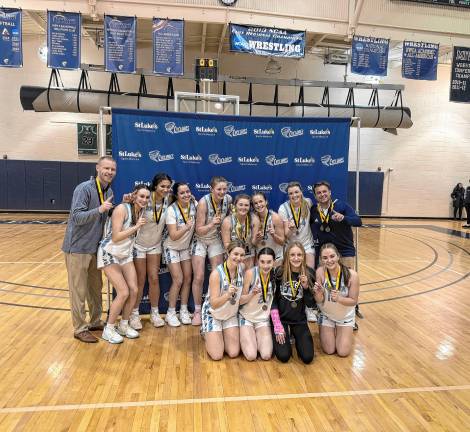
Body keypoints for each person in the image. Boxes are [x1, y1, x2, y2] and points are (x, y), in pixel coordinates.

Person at [62, 156, 116, 343]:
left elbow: (105, 216)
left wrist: (112, 208)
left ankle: (94, 321)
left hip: (95, 248)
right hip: (77, 248)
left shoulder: (109, 190)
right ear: (97, 168)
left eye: (112, 169)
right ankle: (79, 328)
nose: (109, 172)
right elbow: (76, 217)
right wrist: (100, 209)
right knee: (79, 290)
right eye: (106, 168)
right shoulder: (84, 188)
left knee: (95, 288)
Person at [97, 184, 150, 344]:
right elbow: (116, 237)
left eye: (147, 197)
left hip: (125, 254)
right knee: (123, 292)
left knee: (134, 290)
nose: (144, 200)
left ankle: (124, 325)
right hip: (110, 252)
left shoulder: (140, 211)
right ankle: (109, 329)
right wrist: (136, 227)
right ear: (134, 195)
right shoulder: (122, 209)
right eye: (141, 196)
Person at [310, 180, 363, 326]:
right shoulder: (314, 209)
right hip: (325, 253)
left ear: (330, 192)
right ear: (315, 195)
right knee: (324, 283)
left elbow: (358, 221)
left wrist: (344, 218)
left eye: (324, 191)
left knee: (347, 283)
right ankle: (325, 311)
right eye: (319, 193)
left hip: (344, 250)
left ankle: (350, 316)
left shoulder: (341, 206)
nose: (322, 195)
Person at [130, 173, 173, 330]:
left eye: (168, 186)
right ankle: (135, 314)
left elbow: (186, 202)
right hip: (138, 244)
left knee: (154, 278)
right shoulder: (145, 198)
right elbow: (129, 204)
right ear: (155, 186)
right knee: (140, 280)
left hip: (155, 245)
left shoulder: (170, 199)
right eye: (162, 186)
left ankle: (154, 313)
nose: (165, 189)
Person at [191, 176, 232, 326]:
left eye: (224, 188)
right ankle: (197, 310)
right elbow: (199, 230)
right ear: (211, 189)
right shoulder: (203, 203)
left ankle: (213, 307)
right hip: (200, 240)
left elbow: (228, 222)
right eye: (218, 189)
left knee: (217, 275)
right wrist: (212, 223)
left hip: (215, 239)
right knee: (199, 276)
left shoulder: (228, 199)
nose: (222, 192)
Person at [270, 242, 315, 364]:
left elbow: (311, 304)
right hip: (282, 319)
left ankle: (295, 335)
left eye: (299, 255)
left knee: (307, 358)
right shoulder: (279, 272)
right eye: (292, 255)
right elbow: (272, 300)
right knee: (283, 356)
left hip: (299, 320)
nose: (296, 258)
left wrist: (306, 288)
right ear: (287, 257)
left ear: (304, 256)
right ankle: (284, 333)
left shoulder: (309, 273)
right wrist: (277, 324)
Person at [278, 182, 316, 322]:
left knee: (309, 272)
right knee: (290, 275)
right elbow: (285, 236)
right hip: (291, 245)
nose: (294, 195)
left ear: (301, 192)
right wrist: (291, 229)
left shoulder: (308, 202)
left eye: (296, 192)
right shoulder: (283, 208)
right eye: (291, 193)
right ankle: (291, 303)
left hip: (306, 244)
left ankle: (310, 308)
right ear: (288, 195)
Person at [201, 240, 245, 360]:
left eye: (242, 255)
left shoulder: (242, 268)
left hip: (229, 315)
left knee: (233, 352)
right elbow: (214, 304)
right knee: (217, 355)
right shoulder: (216, 274)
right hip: (213, 314)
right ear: (228, 253)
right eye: (235, 254)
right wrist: (227, 295)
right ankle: (206, 331)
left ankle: (220, 333)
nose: (238, 258)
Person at [313, 243, 359, 357]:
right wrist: (317, 293)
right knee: (329, 350)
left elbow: (353, 301)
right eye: (325, 258)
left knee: (343, 352)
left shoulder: (352, 275)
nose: (329, 260)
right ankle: (326, 327)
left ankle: (341, 330)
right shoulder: (320, 272)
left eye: (332, 256)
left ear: (338, 256)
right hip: (327, 315)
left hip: (344, 317)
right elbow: (319, 300)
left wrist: (339, 299)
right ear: (321, 260)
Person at [163, 182, 197, 327]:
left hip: (185, 248)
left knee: (188, 279)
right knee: (178, 280)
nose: (186, 195)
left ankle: (183, 310)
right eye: (182, 193)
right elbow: (174, 235)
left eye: (188, 192)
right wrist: (186, 227)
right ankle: (170, 312)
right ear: (176, 195)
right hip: (171, 247)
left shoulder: (194, 205)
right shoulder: (171, 210)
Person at [238, 247, 276, 361]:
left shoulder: (275, 275)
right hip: (247, 317)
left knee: (266, 355)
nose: (265, 266)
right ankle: (245, 335)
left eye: (269, 262)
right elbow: (240, 300)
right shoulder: (250, 273)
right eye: (262, 262)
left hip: (263, 319)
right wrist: (251, 294)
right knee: (251, 356)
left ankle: (254, 337)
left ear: (274, 262)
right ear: (257, 261)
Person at [221, 194, 260, 268]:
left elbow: (254, 243)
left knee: (248, 277)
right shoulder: (227, 221)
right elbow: (226, 244)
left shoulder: (254, 219)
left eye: (246, 205)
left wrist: (258, 238)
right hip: (233, 254)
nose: (243, 207)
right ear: (235, 205)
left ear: (250, 207)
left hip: (249, 253)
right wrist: (238, 255)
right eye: (241, 205)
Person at [251, 192, 285, 266]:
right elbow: (253, 243)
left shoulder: (275, 218)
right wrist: (258, 239)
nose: (259, 205)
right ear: (253, 206)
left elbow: (282, 242)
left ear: (266, 202)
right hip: (261, 258)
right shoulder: (253, 219)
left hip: (276, 258)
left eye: (261, 201)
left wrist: (273, 235)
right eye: (255, 203)